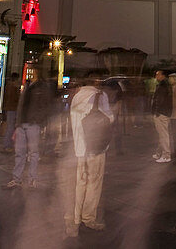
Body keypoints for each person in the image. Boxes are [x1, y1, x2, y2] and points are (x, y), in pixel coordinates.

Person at [66, 71, 114, 237]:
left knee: (79, 183)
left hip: (79, 147)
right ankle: (88, 217)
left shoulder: (77, 96)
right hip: (95, 147)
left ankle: (73, 221)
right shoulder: (100, 96)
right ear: (97, 81)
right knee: (93, 183)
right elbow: (109, 118)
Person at [5, 66, 51, 189]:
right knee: (20, 153)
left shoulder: (41, 87)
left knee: (33, 153)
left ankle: (32, 179)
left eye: (33, 70)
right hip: (23, 123)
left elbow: (45, 105)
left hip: (32, 123)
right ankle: (17, 178)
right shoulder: (27, 85)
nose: (30, 73)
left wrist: (38, 120)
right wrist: (18, 123)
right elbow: (21, 104)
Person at [150, 70, 172, 162]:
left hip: (161, 113)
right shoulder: (166, 84)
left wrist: (156, 111)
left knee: (163, 134)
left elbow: (159, 100)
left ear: (163, 75)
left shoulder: (162, 86)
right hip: (164, 112)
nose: (156, 76)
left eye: (158, 74)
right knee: (162, 134)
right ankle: (160, 152)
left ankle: (166, 155)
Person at [1, 71, 21, 152]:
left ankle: (8, 145)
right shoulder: (13, 87)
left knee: (10, 127)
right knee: (11, 127)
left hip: (9, 108)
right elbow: (15, 99)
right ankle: (7, 145)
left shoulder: (8, 86)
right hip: (12, 109)